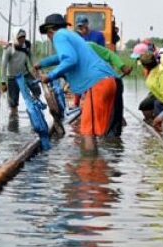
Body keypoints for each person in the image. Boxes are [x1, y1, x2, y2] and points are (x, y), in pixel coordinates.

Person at [34, 13, 119, 150]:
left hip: (97, 83)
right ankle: (96, 167)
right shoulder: (71, 35)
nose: (49, 39)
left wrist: (50, 75)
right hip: (108, 82)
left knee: (87, 132)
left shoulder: (59, 36)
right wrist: (43, 63)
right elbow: (62, 56)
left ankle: (89, 168)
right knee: (94, 131)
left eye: (48, 35)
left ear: (50, 30)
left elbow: (70, 59)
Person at [0, 28, 37, 116]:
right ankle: (14, 118)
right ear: (15, 37)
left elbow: (31, 57)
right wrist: (3, 82)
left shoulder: (26, 45)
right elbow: (3, 66)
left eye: (24, 37)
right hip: (12, 77)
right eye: (20, 37)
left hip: (25, 74)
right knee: (13, 102)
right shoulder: (9, 48)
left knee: (36, 89)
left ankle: (33, 109)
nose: (22, 39)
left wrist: (35, 68)